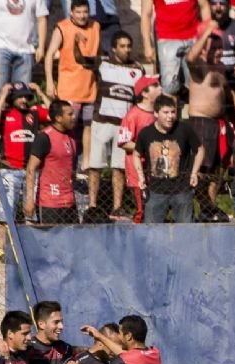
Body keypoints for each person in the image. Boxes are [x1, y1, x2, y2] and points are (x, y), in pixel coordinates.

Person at [74, 31, 144, 222]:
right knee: (95, 165)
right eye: (122, 46)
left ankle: (117, 206)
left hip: (123, 125)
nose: (126, 50)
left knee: (119, 167)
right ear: (114, 48)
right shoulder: (103, 63)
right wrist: (76, 43)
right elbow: (81, 60)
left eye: (129, 46)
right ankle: (93, 204)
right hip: (102, 121)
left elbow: (141, 97)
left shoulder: (137, 69)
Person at [186, 23, 235, 221]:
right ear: (206, 48)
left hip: (218, 123)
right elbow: (189, 57)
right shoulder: (200, 67)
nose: (218, 52)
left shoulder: (220, 69)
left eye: (220, 48)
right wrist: (207, 33)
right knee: (203, 169)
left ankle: (211, 208)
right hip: (201, 123)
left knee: (216, 170)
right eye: (214, 48)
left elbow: (225, 89)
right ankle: (203, 207)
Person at [46, 0, 100, 173]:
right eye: (78, 12)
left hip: (89, 88)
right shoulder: (62, 27)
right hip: (69, 88)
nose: (82, 16)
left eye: (85, 12)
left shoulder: (95, 26)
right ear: (71, 13)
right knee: (68, 126)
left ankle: (85, 163)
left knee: (88, 125)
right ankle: (65, 161)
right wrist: (49, 80)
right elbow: (49, 55)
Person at [134, 95, 205, 223]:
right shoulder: (146, 133)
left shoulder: (184, 129)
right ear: (156, 113)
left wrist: (194, 172)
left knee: (186, 230)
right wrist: (141, 177)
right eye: (166, 112)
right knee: (152, 231)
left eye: (173, 112)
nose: (170, 116)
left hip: (182, 189)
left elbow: (200, 149)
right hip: (156, 190)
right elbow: (136, 155)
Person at [0, 82, 52, 221]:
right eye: (20, 97)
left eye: (26, 97)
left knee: (31, 215)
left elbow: (54, 114)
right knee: (6, 216)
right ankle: (3, 243)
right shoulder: (5, 113)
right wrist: (3, 95)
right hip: (10, 170)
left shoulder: (34, 112)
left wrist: (40, 93)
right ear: (12, 98)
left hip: (31, 170)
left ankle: (29, 242)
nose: (24, 100)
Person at [24, 100, 80, 225]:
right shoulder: (45, 137)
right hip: (50, 203)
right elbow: (31, 169)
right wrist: (30, 200)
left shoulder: (72, 136)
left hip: (70, 202)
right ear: (59, 118)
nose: (74, 117)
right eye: (70, 114)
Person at [0, 0, 48, 101]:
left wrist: (41, 46)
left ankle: (17, 117)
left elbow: (42, 19)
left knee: (21, 96)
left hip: (26, 48)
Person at [141, 0, 211, 96]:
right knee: (169, 87)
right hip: (167, 38)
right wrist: (147, 45)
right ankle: (170, 110)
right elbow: (146, 14)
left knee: (196, 83)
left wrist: (206, 36)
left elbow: (204, 6)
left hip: (193, 37)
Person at [117, 75, 162, 224]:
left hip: (156, 171)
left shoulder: (158, 114)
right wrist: (145, 147)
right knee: (142, 211)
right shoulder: (133, 115)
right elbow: (123, 142)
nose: (160, 87)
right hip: (138, 172)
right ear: (144, 93)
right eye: (155, 85)